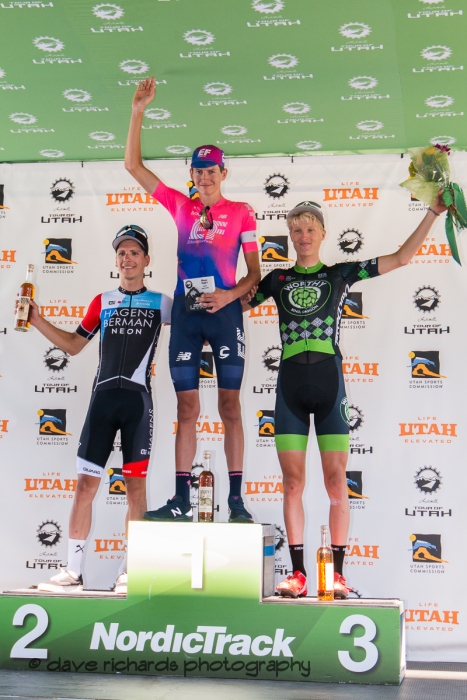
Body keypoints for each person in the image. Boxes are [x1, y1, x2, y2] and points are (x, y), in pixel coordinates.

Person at [245, 196, 447, 598]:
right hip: (288, 388)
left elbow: (403, 258)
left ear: (323, 234)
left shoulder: (340, 273)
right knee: (292, 484)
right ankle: (299, 574)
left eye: (310, 229)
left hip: (329, 383)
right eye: (297, 230)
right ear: (290, 235)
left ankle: (335, 574)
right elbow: (234, 301)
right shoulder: (275, 280)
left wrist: (433, 212)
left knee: (337, 482)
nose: (303, 236)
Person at [125, 77, 261, 523]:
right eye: (198, 172)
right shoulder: (181, 207)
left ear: (224, 174)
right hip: (187, 314)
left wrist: (229, 295)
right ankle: (182, 499)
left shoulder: (241, 212)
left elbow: (255, 276)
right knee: (187, 407)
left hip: (224, 315)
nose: (204, 178)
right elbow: (133, 167)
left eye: (211, 171)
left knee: (229, 407)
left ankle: (237, 500)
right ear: (192, 176)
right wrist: (138, 111)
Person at [27, 226, 171, 593]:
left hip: (137, 403)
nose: (127, 259)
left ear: (146, 260)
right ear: (116, 260)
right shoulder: (102, 301)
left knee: (135, 490)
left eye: (135, 253)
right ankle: (72, 572)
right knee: (84, 487)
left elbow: (195, 325)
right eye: (122, 253)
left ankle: (130, 571)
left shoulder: (161, 302)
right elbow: (74, 345)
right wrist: (38, 320)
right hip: (102, 403)